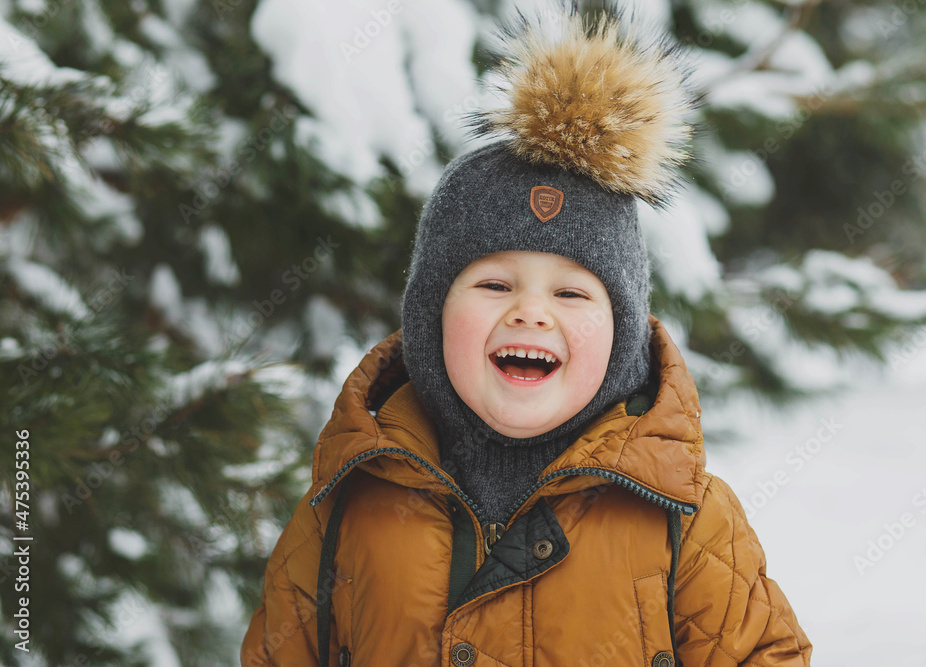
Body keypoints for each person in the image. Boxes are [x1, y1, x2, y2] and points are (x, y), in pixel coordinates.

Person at [242, 3, 813, 666]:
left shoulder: (684, 520)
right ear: (429, 317)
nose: (531, 313)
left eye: (571, 293)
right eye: (494, 285)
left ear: (623, 334)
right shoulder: (347, 507)